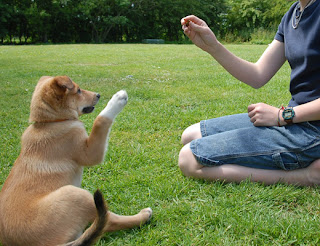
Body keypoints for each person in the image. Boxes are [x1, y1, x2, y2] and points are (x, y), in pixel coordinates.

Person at [179, 0, 320, 186]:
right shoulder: (294, 13)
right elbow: (258, 75)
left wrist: (282, 116)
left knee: (189, 159)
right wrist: (213, 46)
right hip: (295, 120)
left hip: (311, 132)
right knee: (189, 135)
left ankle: (309, 176)